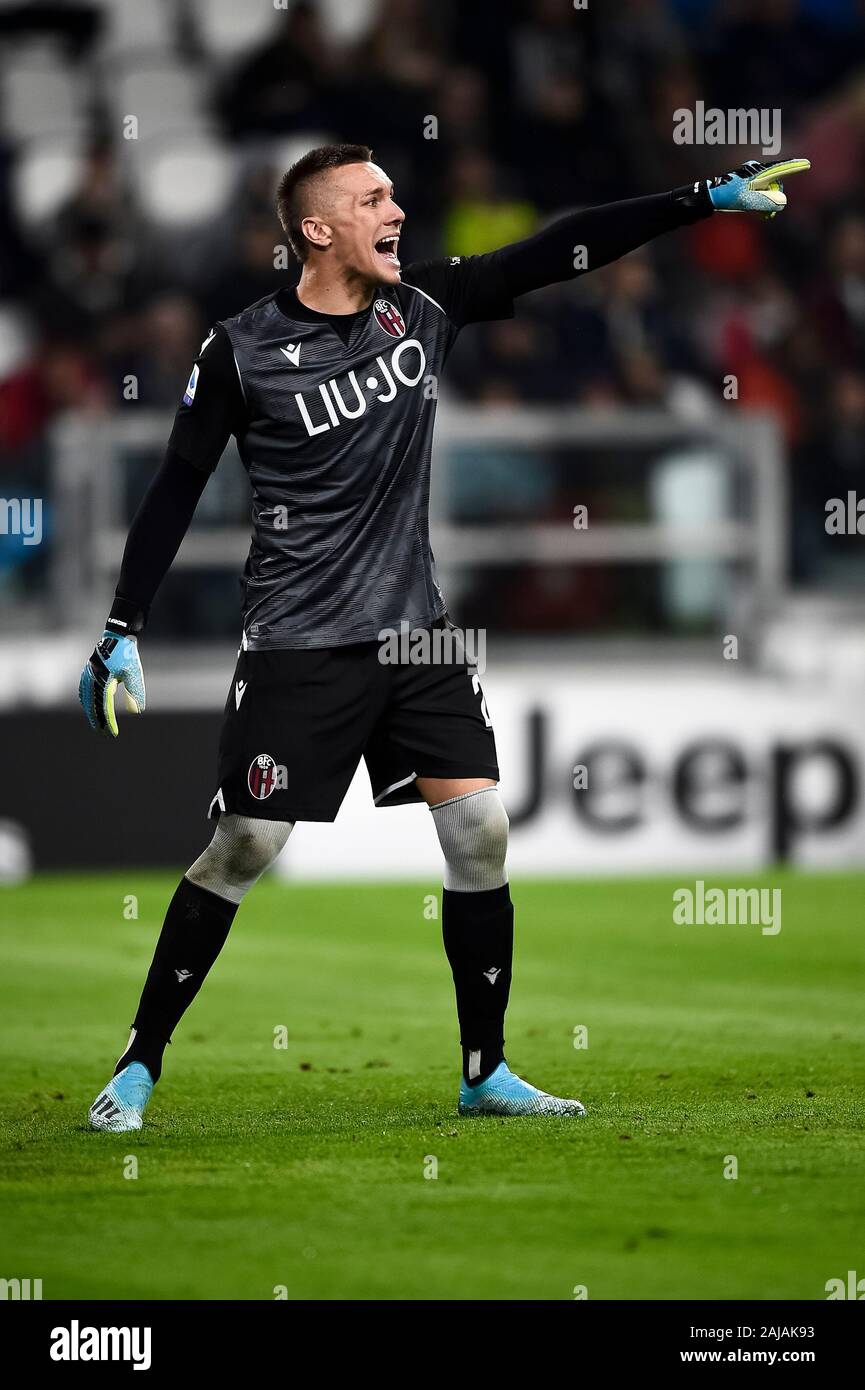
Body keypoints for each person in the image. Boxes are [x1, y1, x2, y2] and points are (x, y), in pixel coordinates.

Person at [80, 147, 808, 1131]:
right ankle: (138, 1063)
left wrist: (696, 199)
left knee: (480, 830)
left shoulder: (420, 307)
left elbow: (559, 251)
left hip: (416, 637)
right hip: (300, 641)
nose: (396, 209)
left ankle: (484, 1070)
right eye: (370, 198)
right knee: (244, 843)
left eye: (391, 193)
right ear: (317, 228)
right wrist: (123, 627)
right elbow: (174, 486)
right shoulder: (240, 350)